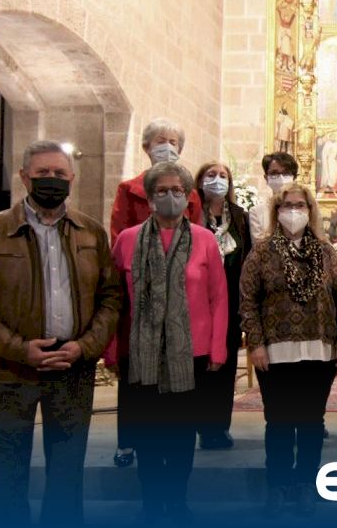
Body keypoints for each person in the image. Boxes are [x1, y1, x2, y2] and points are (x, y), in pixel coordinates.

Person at [0, 140, 121, 526]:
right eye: (43, 173)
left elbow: (111, 298)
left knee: (67, 476)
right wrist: (19, 350)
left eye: (60, 173)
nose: (52, 180)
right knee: (7, 473)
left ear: (72, 178)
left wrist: (85, 347)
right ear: (24, 177)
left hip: (71, 369)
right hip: (6, 371)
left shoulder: (91, 233)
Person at [105, 162, 229, 523]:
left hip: (190, 352)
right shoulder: (127, 240)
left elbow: (218, 297)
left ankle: (176, 500)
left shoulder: (204, 240)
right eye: (162, 191)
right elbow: (114, 300)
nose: (170, 197)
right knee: (147, 433)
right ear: (149, 198)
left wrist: (219, 348)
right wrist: (111, 350)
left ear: (187, 197)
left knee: (180, 432)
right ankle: (151, 501)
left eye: (177, 190)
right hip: (141, 352)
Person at [240, 182, 337, 516]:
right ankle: (278, 484)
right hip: (275, 352)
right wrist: (255, 343)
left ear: (310, 210)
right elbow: (248, 301)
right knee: (278, 421)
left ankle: (306, 483)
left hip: (319, 350)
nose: (294, 211)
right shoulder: (262, 252)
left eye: (300, 205)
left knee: (310, 421)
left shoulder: (325, 252)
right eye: (287, 205)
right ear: (277, 211)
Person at [108, 118, 202, 468]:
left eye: (174, 141)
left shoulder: (190, 192)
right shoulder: (128, 189)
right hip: (140, 285)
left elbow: (196, 237)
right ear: (147, 147)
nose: (168, 146)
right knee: (136, 373)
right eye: (161, 140)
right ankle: (128, 441)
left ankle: (173, 440)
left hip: (177, 289)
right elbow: (119, 235)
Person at [193, 162, 253, 450]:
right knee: (199, 362)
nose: (217, 180)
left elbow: (248, 256)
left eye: (222, 176)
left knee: (225, 364)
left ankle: (218, 426)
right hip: (197, 297)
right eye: (211, 175)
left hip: (230, 297)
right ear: (200, 181)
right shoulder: (192, 213)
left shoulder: (240, 217)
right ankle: (197, 422)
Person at [251, 152, 299, 243]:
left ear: (294, 177)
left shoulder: (304, 208)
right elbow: (258, 246)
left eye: (286, 173)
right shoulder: (257, 212)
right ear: (266, 178)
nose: (281, 178)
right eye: (274, 173)